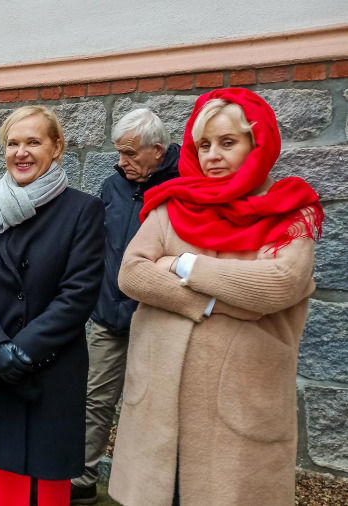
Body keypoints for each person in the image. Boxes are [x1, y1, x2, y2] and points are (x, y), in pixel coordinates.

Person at [108, 88, 324, 506]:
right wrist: (209, 303)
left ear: (256, 144)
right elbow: (132, 274)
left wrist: (185, 265)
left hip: (240, 409)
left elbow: (277, 285)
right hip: (160, 405)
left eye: (228, 143)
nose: (212, 155)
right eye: (203, 145)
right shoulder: (171, 207)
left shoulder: (290, 213)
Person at [0, 105, 104, 506]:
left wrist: (22, 351)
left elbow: (78, 294)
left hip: (48, 376)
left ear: (56, 148)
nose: (21, 152)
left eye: (33, 142)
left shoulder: (83, 211)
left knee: (44, 493)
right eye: (13, 143)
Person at [70, 108, 180, 504]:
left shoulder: (186, 188)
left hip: (156, 321)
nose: (122, 162)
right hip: (106, 317)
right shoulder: (112, 187)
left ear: (157, 150)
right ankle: (82, 480)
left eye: (131, 154)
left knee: (151, 408)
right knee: (94, 399)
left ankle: (153, 490)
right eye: (119, 152)